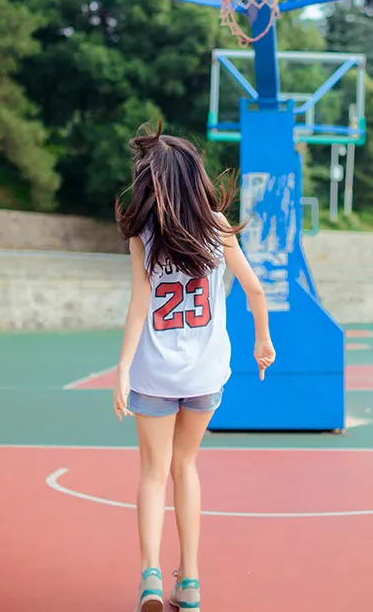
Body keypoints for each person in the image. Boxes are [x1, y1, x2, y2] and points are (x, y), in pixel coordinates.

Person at [112, 123, 275, 612]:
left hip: (155, 375)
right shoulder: (219, 227)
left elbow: (139, 305)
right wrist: (263, 343)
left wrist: (121, 369)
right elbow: (256, 290)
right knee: (186, 466)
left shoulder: (142, 234)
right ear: (194, 176)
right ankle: (193, 583)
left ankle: (150, 576)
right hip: (205, 375)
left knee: (152, 474)